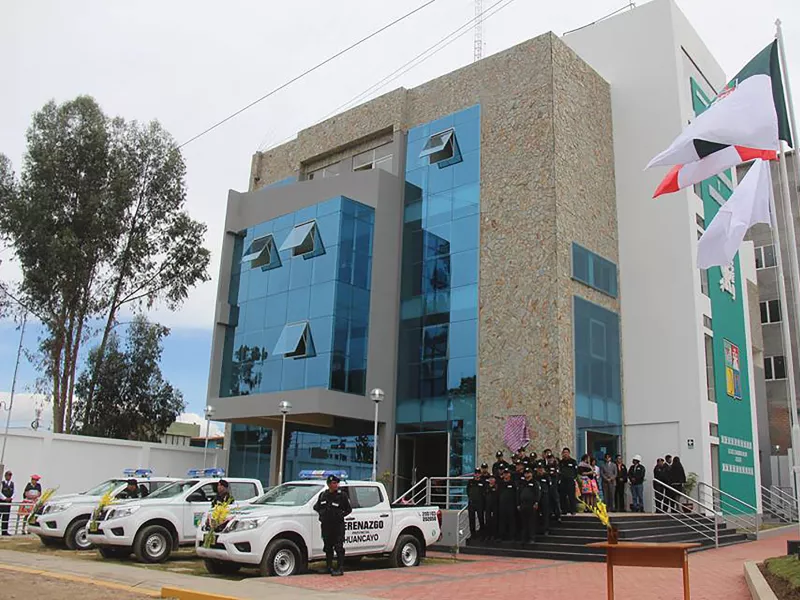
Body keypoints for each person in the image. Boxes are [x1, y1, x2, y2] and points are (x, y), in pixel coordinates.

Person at [313, 474, 352, 576]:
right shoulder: (323, 495)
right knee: (327, 546)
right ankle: (328, 567)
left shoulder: (341, 495)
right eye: (333, 483)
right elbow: (316, 507)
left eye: (336, 483)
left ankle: (340, 568)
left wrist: (339, 516)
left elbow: (349, 509)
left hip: (337, 526)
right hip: (326, 525)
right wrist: (322, 514)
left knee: (338, 547)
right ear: (328, 484)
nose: (336, 485)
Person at [516, 468, 540, 544]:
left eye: (528, 473)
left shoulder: (535, 483)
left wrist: (536, 502)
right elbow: (518, 494)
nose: (527, 474)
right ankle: (524, 538)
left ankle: (532, 538)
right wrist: (518, 504)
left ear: (531, 474)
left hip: (531, 504)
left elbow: (538, 493)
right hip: (523, 504)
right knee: (524, 523)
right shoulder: (522, 483)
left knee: (531, 522)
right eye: (525, 473)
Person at [467, 468, 487, 540]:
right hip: (472, 503)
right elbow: (468, 491)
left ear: (480, 474)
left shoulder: (483, 482)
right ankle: (473, 534)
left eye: (478, 473)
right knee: (471, 519)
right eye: (476, 473)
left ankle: (482, 534)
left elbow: (485, 493)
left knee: (481, 518)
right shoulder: (470, 481)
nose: (477, 474)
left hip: (480, 503)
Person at [498, 468, 517, 542]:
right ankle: (502, 536)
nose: (505, 475)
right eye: (504, 473)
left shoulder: (513, 483)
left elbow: (516, 494)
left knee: (511, 521)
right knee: (502, 521)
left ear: (509, 474)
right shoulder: (500, 483)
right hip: (502, 505)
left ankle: (512, 536)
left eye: (507, 473)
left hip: (511, 505)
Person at [559, 448, 578, 515]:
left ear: (569, 453)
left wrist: (573, 478)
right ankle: (564, 510)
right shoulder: (561, 462)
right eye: (564, 452)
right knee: (563, 496)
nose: (565, 454)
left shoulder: (573, 461)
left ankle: (573, 510)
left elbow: (576, 471)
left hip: (570, 481)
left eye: (566, 452)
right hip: (563, 481)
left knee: (571, 496)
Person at [534, 463, 552, 535]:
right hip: (537, 496)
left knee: (545, 513)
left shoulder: (546, 476)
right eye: (538, 468)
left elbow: (550, 486)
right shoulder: (535, 477)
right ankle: (537, 529)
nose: (540, 470)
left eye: (541, 468)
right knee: (536, 514)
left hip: (545, 496)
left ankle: (546, 529)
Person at [545, 451, 561, 523]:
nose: (550, 460)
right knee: (548, 502)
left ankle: (558, 515)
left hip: (554, 486)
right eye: (548, 458)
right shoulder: (546, 467)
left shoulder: (556, 466)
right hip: (548, 486)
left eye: (551, 458)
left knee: (556, 500)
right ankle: (550, 514)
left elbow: (556, 474)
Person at [485, 475, 500, 542]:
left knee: (495, 521)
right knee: (488, 520)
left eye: (492, 479)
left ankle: (494, 535)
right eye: (490, 479)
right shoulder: (486, 487)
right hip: (488, 506)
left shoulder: (497, 487)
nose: (491, 480)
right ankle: (488, 535)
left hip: (495, 506)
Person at [0, 471, 13, 536]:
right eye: (8, 475)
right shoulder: (2, 483)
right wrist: (5, 498)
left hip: (8, 503)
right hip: (2, 502)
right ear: (5, 476)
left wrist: (11, 498)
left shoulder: (12, 484)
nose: (9, 477)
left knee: (6, 517)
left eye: (10, 475)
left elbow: (14, 492)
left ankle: (4, 531)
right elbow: (0, 492)